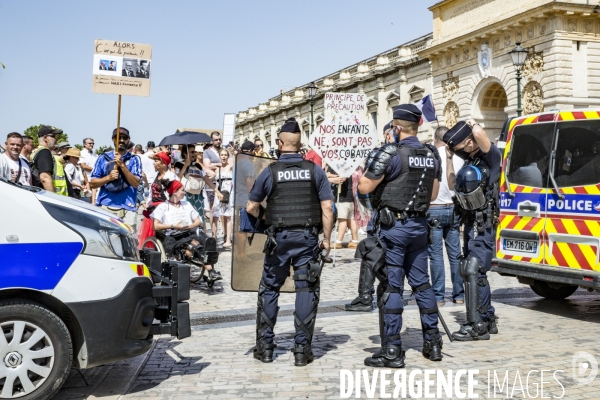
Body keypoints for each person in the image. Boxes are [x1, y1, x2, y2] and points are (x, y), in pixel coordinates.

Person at [357, 104, 443, 367]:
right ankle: (433, 342)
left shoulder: (391, 153)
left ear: (396, 127)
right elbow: (433, 195)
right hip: (419, 228)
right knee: (422, 284)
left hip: (394, 229)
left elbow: (364, 186)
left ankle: (392, 349)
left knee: (393, 286)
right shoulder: (430, 153)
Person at [246, 117, 334, 366]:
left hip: (278, 239)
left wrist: (267, 220)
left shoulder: (270, 172)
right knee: (306, 289)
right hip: (307, 238)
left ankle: (265, 348)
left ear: (279, 143)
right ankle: (301, 350)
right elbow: (327, 207)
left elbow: (251, 207)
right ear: (298, 144)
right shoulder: (315, 170)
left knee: (270, 288)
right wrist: (326, 239)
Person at [443, 120, 500, 341]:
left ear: (469, 142)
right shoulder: (469, 159)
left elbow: (477, 132)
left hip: (483, 223)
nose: (456, 152)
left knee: (473, 270)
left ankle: (477, 325)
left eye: (458, 147)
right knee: (473, 271)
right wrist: (449, 158)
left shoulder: (490, 157)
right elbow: (450, 184)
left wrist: (472, 123)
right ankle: (487, 318)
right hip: (470, 222)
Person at [151, 180, 221, 281]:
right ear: (175, 191)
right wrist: (173, 225)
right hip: (173, 235)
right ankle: (210, 270)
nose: (184, 192)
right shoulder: (162, 207)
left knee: (204, 241)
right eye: (182, 190)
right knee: (194, 244)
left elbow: (198, 221)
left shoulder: (186, 204)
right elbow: (156, 226)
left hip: (189, 231)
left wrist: (190, 226)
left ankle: (210, 267)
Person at [428, 126, 465, 307]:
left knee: (435, 255)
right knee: (455, 254)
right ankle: (459, 295)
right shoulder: (458, 155)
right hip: (453, 208)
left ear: (435, 140)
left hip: (434, 208)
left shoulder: (430, 155)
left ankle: (438, 297)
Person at [90, 127, 142, 231]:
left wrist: (122, 165)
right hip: (105, 206)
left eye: (124, 138)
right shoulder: (103, 158)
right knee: (106, 244)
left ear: (129, 139)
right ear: (113, 139)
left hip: (128, 209)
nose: (121, 140)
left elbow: (136, 183)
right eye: (118, 137)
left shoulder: (134, 159)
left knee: (128, 245)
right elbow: (93, 184)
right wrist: (108, 178)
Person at [326, 165, 359, 249]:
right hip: (350, 197)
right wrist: (329, 175)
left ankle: (338, 242)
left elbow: (342, 178)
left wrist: (331, 176)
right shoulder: (349, 165)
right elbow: (326, 174)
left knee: (342, 220)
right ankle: (355, 241)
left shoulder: (344, 166)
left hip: (344, 198)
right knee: (351, 219)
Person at [31, 125, 68, 195]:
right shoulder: (44, 152)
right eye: (54, 136)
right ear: (45, 138)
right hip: (55, 199)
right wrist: (54, 198)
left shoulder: (40, 151)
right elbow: (45, 178)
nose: (56, 139)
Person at [203, 132, 223, 238]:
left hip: (224, 182)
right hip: (212, 182)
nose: (218, 141)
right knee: (212, 208)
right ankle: (213, 235)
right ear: (212, 141)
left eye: (219, 139)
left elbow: (230, 163)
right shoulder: (207, 152)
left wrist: (214, 165)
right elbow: (207, 165)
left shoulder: (224, 151)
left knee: (224, 208)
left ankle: (224, 234)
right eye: (216, 140)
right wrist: (221, 164)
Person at [213, 148, 234, 248]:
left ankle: (228, 239)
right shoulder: (217, 169)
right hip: (219, 192)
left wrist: (233, 152)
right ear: (219, 156)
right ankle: (220, 236)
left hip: (229, 192)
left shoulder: (230, 167)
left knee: (228, 216)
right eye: (222, 155)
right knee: (219, 215)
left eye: (225, 155)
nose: (224, 156)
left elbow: (235, 162)